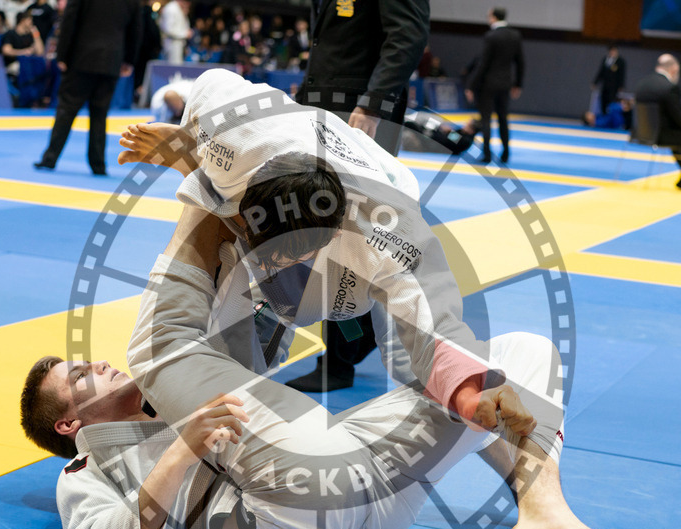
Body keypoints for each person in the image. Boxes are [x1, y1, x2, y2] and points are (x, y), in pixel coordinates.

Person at [20, 208, 650, 529]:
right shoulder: (87, 470)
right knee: (162, 348)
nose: (96, 365)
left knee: (522, 356)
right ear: (72, 424)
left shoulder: (193, 373)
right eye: (81, 378)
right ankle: (206, 170)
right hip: (275, 510)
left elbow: (249, 299)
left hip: (363, 504)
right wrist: (180, 451)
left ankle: (543, 509)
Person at [118, 69, 520, 432]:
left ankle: (521, 471)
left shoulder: (388, 228)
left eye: (295, 255)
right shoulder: (232, 130)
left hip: (364, 224)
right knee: (233, 326)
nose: (283, 262)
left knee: (415, 368)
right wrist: (186, 144)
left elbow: (434, 315)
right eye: (275, 252)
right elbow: (212, 78)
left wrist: (468, 390)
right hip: (272, 158)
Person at [285, 0, 429, 394]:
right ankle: (355, 340)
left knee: (347, 236)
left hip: (361, 118)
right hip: (326, 112)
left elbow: (408, 34)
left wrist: (373, 102)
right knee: (329, 234)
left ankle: (340, 360)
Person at [33, 0, 141, 176]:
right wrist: (129, 59)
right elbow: (136, 29)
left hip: (81, 58)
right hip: (111, 59)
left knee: (66, 110)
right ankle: (98, 164)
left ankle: (50, 158)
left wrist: (62, 54)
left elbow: (70, 20)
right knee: (100, 114)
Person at [633, 54, 681, 191]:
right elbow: (678, 117)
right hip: (660, 136)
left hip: (640, 134)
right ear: (674, 69)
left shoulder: (642, 84)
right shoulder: (669, 87)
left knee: (677, 142)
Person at [464, 7, 523, 165]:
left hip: (488, 84)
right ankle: (505, 153)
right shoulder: (515, 35)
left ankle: (487, 154)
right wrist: (518, 84)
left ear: (493, 17)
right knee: (503, 118)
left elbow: (483, 64)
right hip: (505, 83)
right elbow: (520, 62)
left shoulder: (491, 36)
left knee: (486, 119)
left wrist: (471, 85)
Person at [592, 44, 626, 116]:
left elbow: (622, 74)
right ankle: (604, 115)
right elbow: (601, 72)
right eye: (611, 51)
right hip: (605, 85)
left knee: (612, 102)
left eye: (614, 51)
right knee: (603, 100)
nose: (612, 52)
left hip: (614, 86)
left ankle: (611, 117)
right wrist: (595, 82)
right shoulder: (605, 60)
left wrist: (621, 86)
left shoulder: (620, 61)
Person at [159, 0, 190, 65]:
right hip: (172, 44)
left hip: (179, 44)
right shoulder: (171, 9)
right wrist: (184, 34)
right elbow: (168, 29)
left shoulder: (178, 8)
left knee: (177, 67)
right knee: (173, 68)